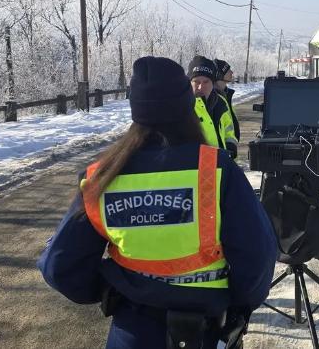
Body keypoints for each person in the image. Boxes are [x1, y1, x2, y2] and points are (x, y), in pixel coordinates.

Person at [37, 56, 277, 349]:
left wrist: (110, 289)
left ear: (135, 111)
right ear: (188, 106)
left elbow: (60, 267)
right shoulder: (217, 171)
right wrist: (239, 305)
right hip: (205, 330)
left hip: (131, 331)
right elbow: (257, 256)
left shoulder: (100, 178)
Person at [188, 56, 239, 159]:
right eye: (196, 82)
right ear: (189, 82)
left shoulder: (220, 102)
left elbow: (229, 129)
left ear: (213, 83)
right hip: (195, 169)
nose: (200, 87)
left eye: (206, 82)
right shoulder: (182, 106)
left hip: (222, 165)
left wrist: (231, 146)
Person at [213, 59, 240, 142]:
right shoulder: (213, 98)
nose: (232, 72)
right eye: (228, 70)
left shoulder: (226, 94)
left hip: (229, 146)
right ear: (220, 74)